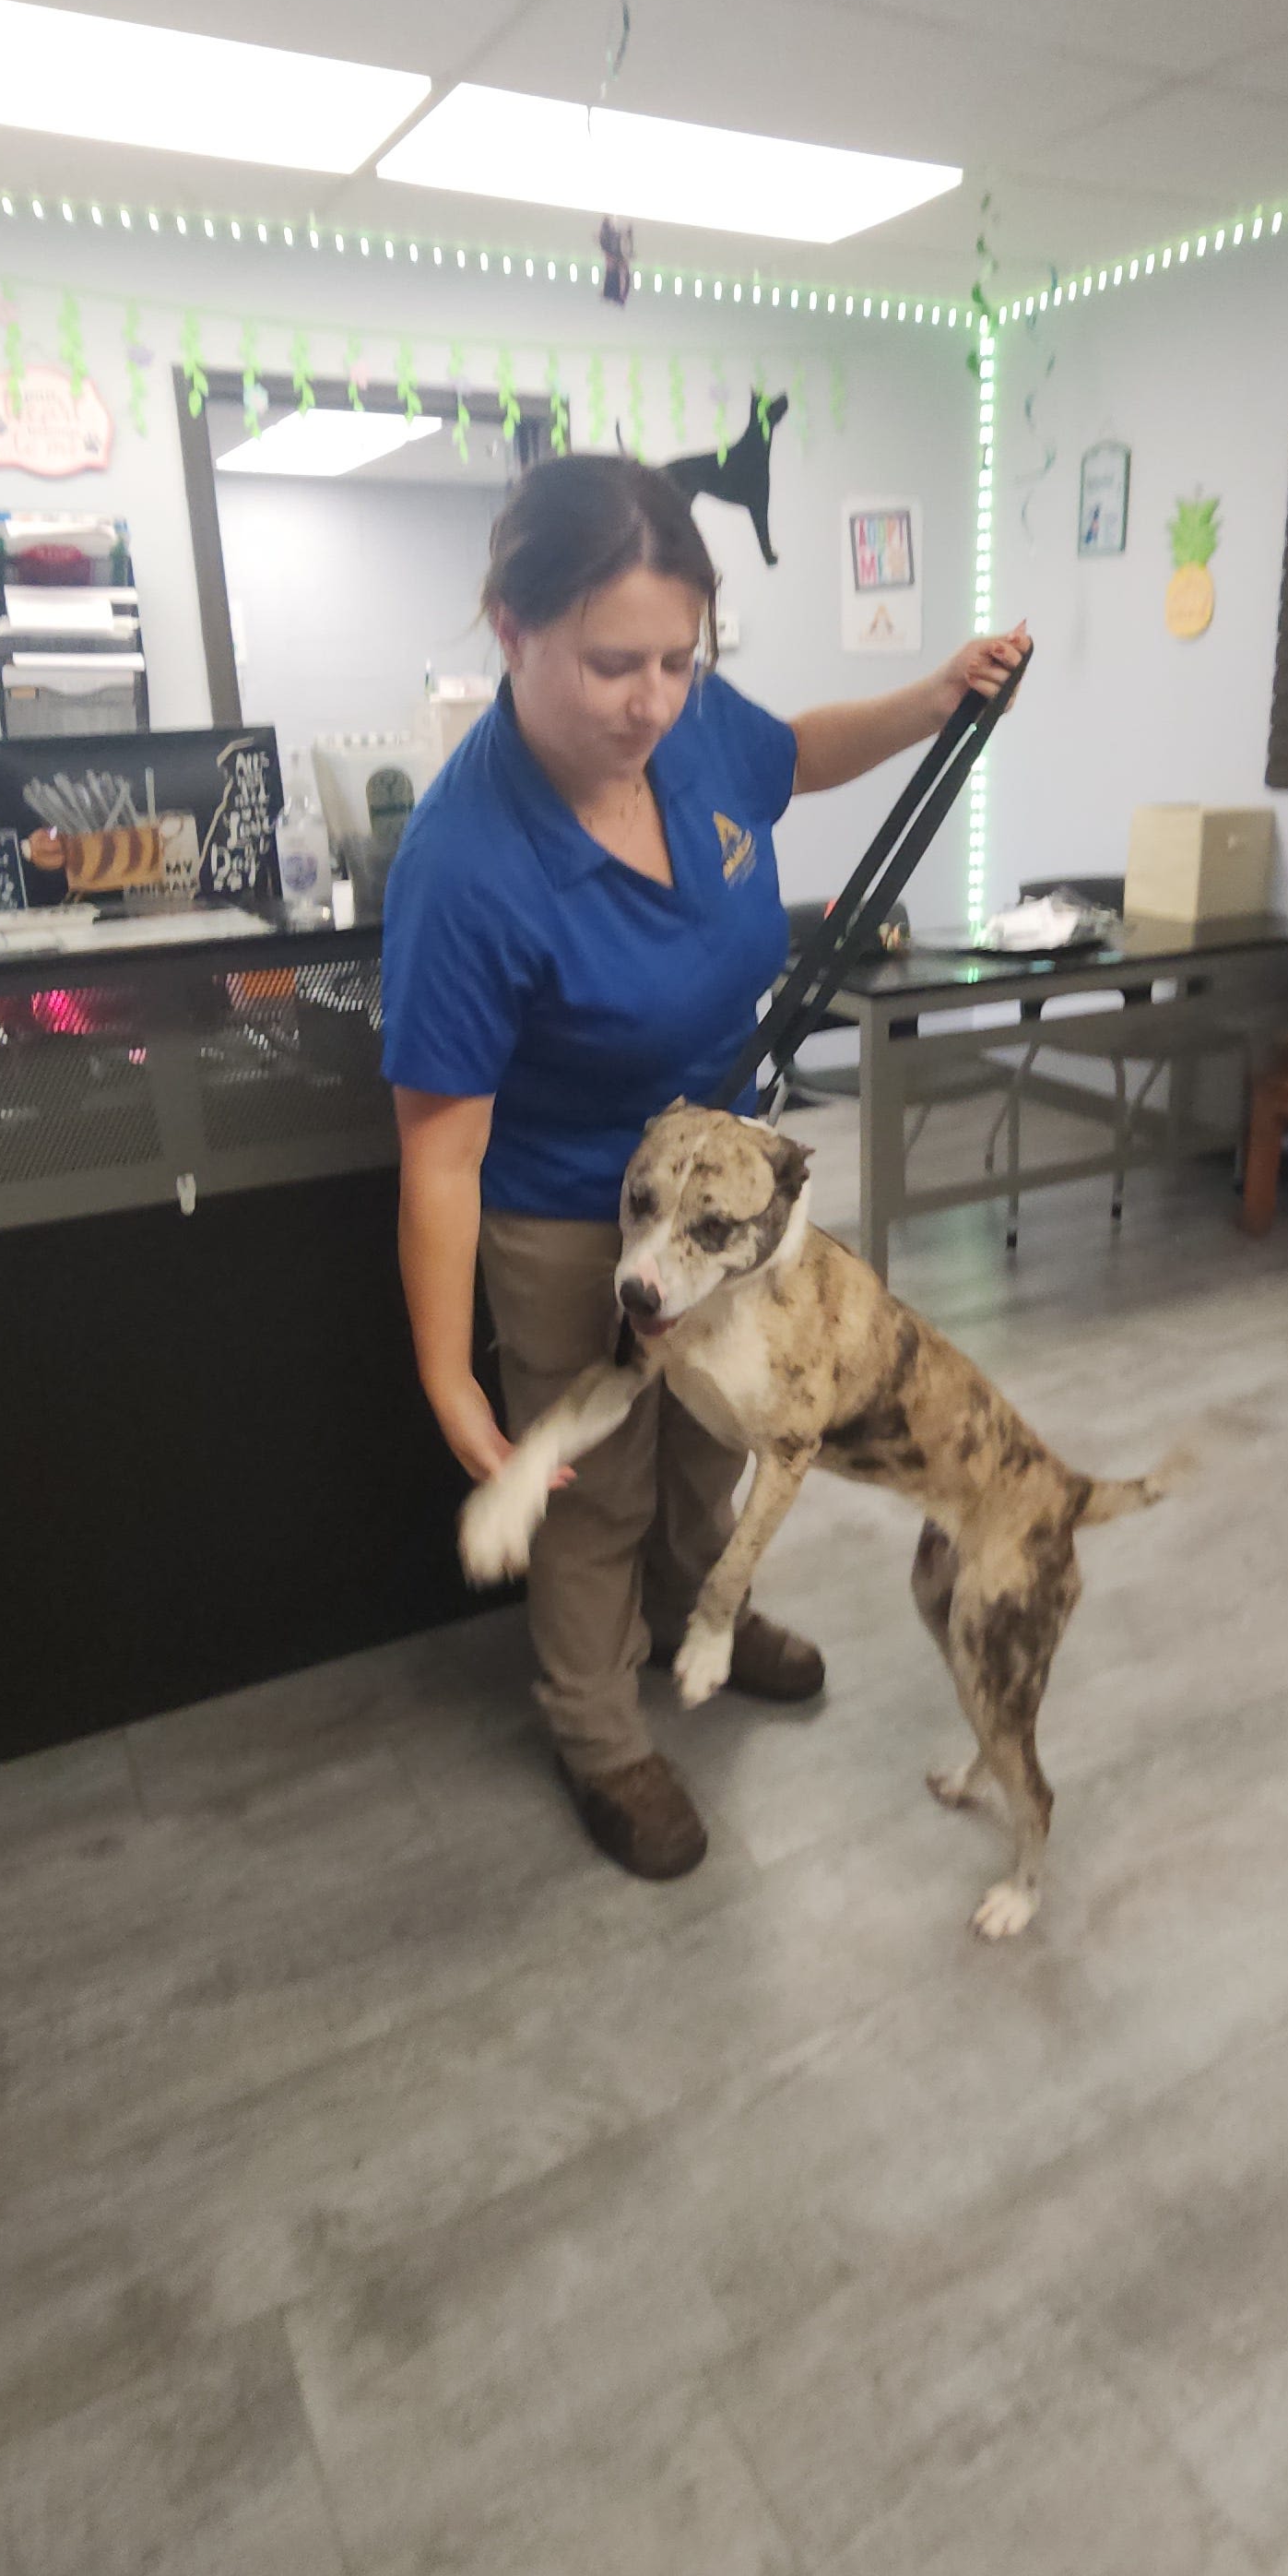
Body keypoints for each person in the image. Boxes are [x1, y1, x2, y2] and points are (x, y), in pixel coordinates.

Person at [381, 451, 1026, 1883]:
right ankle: (598, 1731)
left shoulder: (688, 731)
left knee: (710, 1443)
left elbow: (789, 751)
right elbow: (442, 1152)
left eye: (681, 658)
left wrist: (931, 702)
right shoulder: (465, 863)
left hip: (725, 1188)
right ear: (510, 627)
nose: (654, 700)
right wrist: (447, 1379)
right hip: (571, 1209)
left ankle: (696, 1614)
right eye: (615, 663)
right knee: (600, 1486)